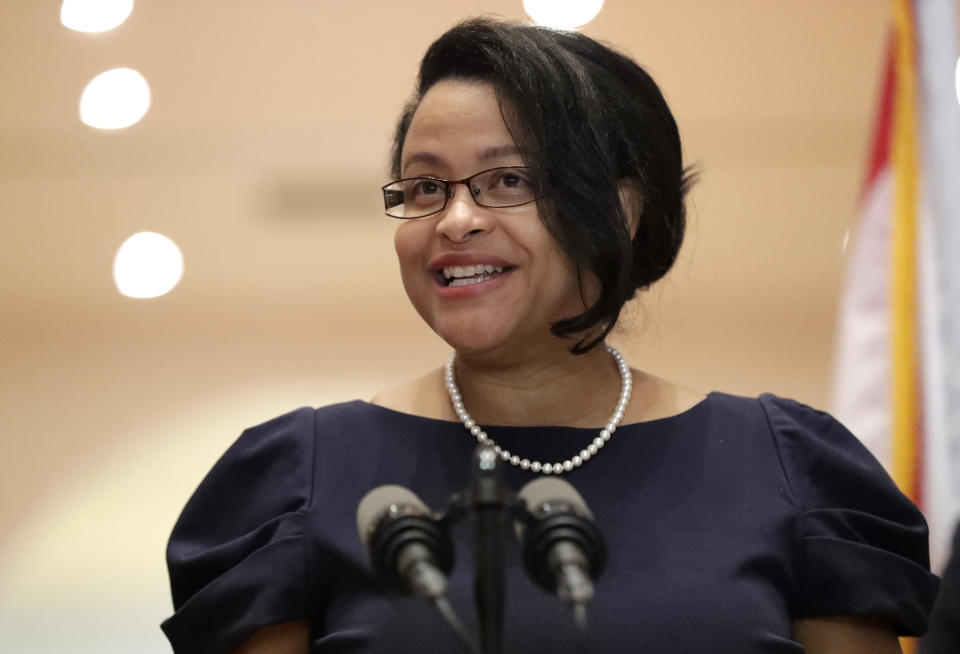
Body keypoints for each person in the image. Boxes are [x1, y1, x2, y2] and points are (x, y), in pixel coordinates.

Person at [161, 18, 939, 654]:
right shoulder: (301, 482)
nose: (456, 220)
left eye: (507, 181)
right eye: (426, 186)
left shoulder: (790, 468)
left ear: (622, 212)